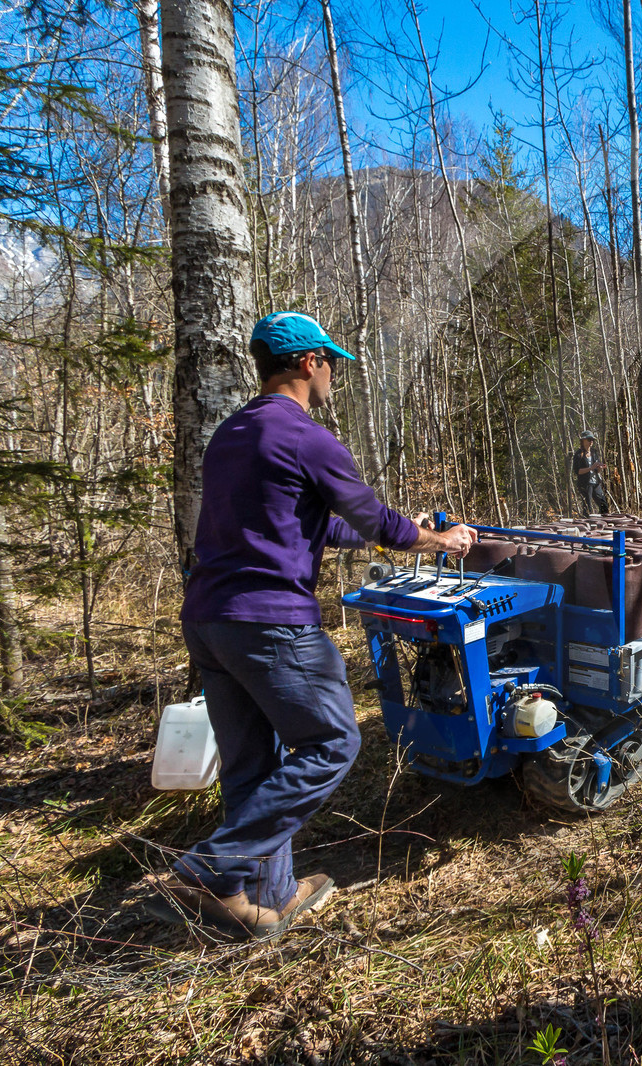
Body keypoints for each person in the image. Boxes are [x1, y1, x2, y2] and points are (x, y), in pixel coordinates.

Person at [162, 311, 476, 941]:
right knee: (334, 742)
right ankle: (211, 867)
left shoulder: (230, 434)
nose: (334, 375)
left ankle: (263, 900)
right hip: (270, 621)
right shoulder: (307, 436)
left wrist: (385, 535)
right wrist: (437, 537)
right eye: (330, 363)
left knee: (253, 763)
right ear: (309, 364)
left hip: (209, 620)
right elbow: (376, 519)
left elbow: (307, 521)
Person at [570, 430, 608, 515]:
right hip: (585, 484)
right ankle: (587, 526)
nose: (591, 441)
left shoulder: (594, 452)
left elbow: (597, 469)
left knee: (604, 505)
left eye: (592, 440)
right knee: (587, 508)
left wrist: (600, 468)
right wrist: (591, 468)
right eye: (589, 439)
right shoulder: (578, 454)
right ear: (583, 440)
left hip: (596, 482)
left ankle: (604, 523)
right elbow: (578, 471)